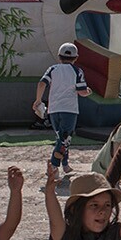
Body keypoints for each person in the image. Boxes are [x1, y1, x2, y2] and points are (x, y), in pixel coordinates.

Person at [35, 43, 90, 182]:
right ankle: (54, 165)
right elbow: (82, 91)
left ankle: (65, 164)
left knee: (61, 138)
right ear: (76, 57)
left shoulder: (52, 69)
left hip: (53, 109)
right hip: (69, 109)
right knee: (65, 138)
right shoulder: (77, 71)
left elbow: (42, 83)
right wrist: (88, 91)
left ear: (59, 57)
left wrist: (38, 100)